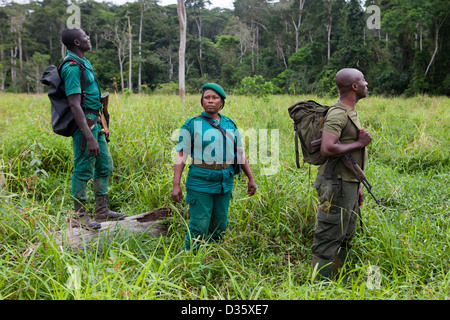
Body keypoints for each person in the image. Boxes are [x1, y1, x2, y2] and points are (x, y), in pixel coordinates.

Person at [172, 83, 257, 253]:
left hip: (224, 182)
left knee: (220, 225)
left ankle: (213, 258)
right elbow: (182, 154)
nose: (210, 101)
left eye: (214, 98)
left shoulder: (229, 124)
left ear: (221, 102)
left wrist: (251, 178)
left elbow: (240, 153)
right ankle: (190, 260)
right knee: (199, 225)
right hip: (200, 182)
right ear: (202, 101)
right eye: (206, 98)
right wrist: (176, 184)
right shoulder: (192, 123)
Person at [60, 27, 126, 229]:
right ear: (77, 43)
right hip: (85, 126)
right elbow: (74, 104)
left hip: (96, 122)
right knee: (83, 169)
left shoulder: (83, 63)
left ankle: (102, 210)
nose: (88, 37)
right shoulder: (72, 66)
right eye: (85, 36)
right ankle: (79, 216)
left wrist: (101, 126)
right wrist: (88, 136)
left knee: (104, 165)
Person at [311, 68, 373, 282]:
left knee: (346, 234)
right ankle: (320, 287)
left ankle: (339, 280)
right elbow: (327, 149)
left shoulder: (350, 111)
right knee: (329, 235)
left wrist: (357, 186)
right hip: (335, 185)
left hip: (347, 184)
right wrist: (360, 143)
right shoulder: (338, 113)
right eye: (363, 80)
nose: (367, 84)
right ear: (354, 87)